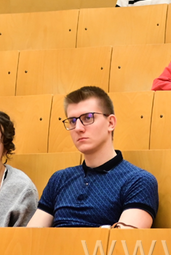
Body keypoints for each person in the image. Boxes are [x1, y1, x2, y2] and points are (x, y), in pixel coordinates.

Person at [27, 86, 158, 228]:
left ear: (110, 123)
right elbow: (31, 236)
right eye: (72, 121)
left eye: (88, 118)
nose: (78, 128)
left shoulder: (138, 181)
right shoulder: (59, 179)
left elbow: (124, 240)